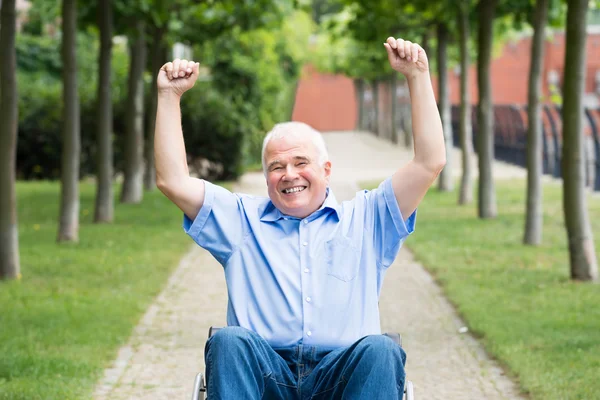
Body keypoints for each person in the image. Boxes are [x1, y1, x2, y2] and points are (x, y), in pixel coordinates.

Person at [154, 37, 445, 399]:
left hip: (343, 376)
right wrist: (169, 96)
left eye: (300, 163)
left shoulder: (369, 217)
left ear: (326, 169)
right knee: (228, 340)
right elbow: (172, 181)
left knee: (381, 349)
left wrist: (417, 76)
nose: (289, 174)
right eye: (277, 167)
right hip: (264, 376)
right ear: (266, 178)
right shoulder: (241, 220)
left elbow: (429, 163)